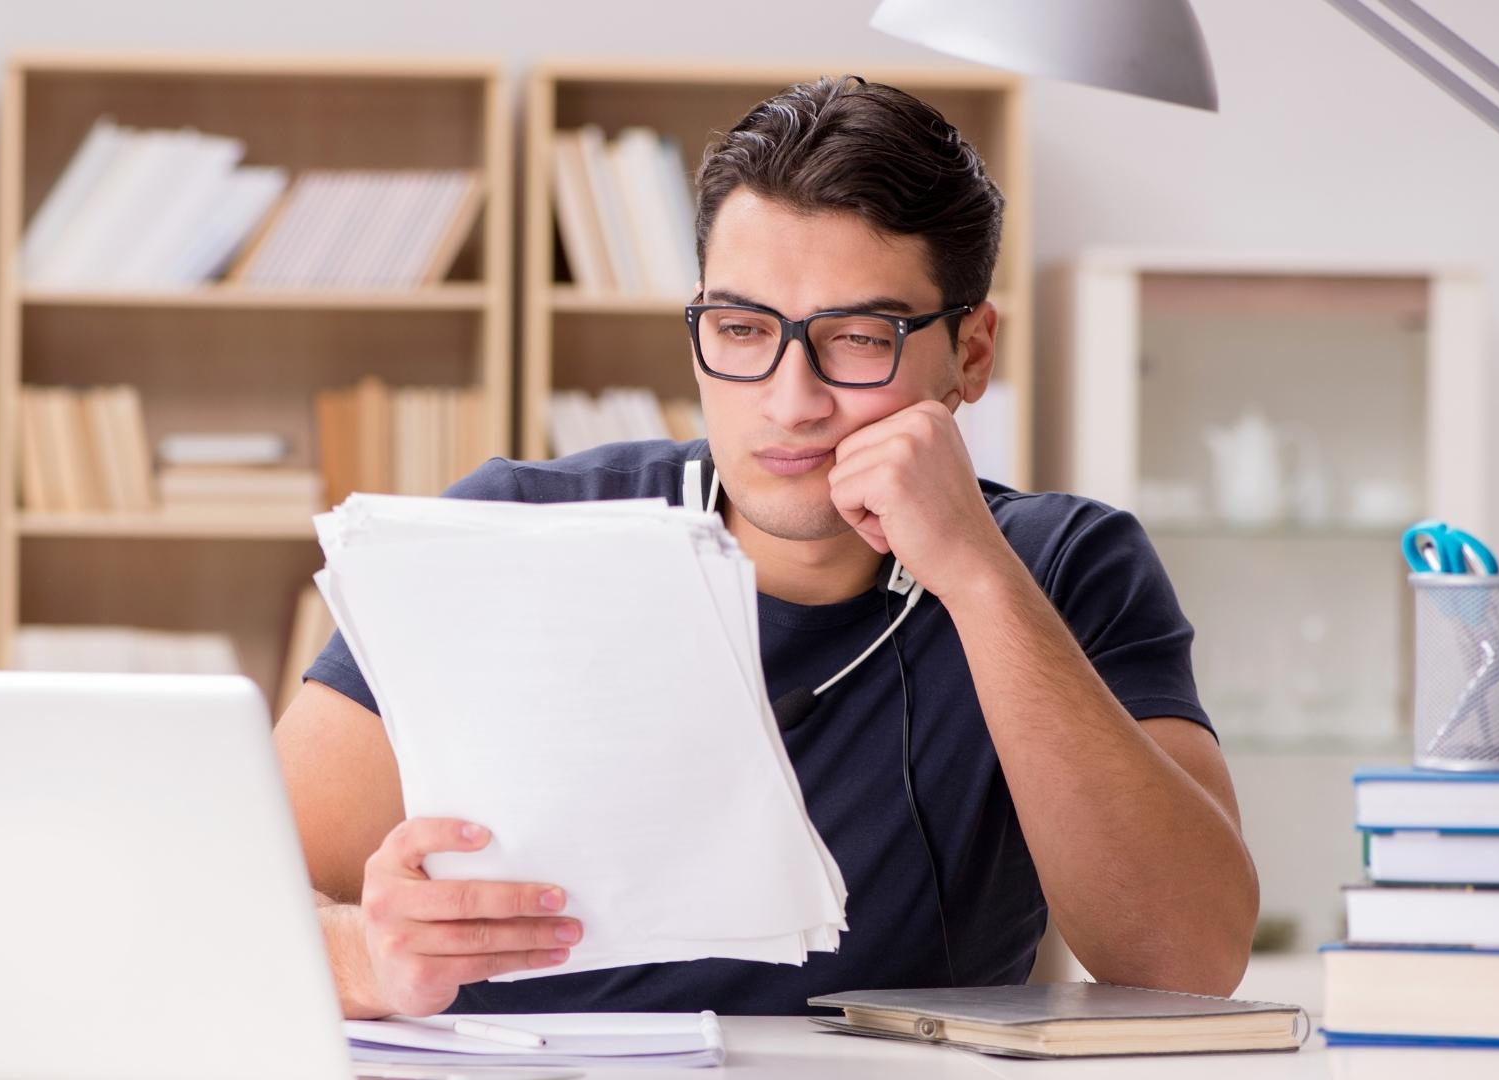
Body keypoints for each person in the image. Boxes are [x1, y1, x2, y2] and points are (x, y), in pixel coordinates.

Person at [275, 75, 1257, 1019]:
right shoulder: (508, 533)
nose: (792, 401)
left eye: (859, 337)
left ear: (970, 352)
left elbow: (1184, 963)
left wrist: (978, 577)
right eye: (743, 330)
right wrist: (370, 952)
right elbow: (211, 891)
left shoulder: (1062, 565)